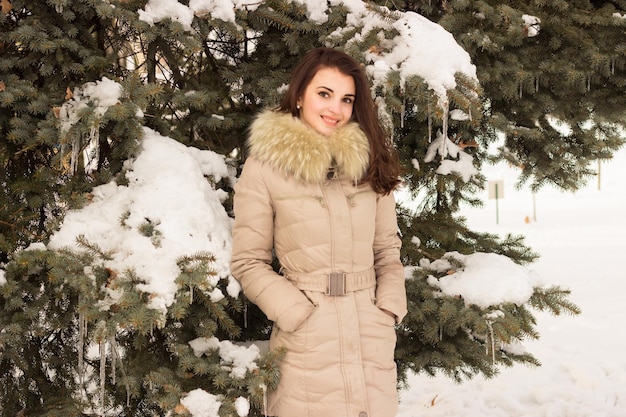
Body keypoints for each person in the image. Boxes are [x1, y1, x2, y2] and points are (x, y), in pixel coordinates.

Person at [230, 47, 407, 417]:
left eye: (346, 99)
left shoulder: (370, 161)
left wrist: (387, 310)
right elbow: (249, 262)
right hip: (305, 339)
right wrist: (296, 313)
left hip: (368, 336)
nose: (335, 109)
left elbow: (387, 254)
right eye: (324, 94)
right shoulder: (264, 167)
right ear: (299, 96)